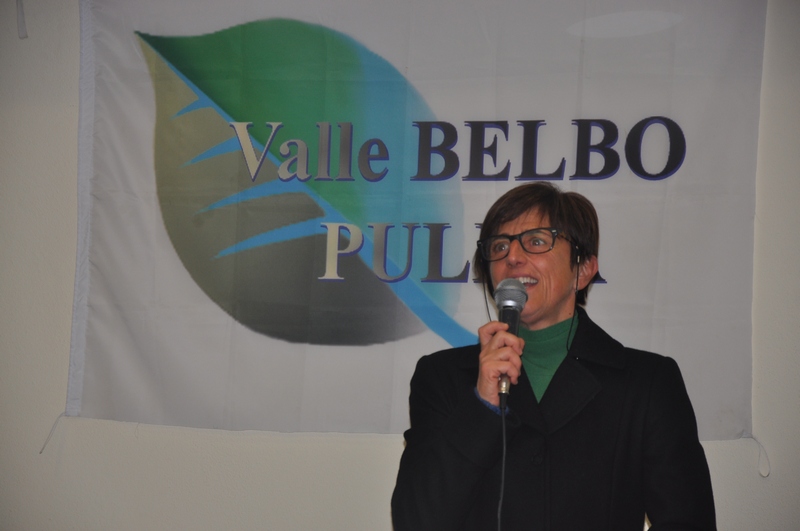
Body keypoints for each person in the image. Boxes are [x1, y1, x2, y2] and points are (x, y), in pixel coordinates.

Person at [391, 182, 716, 530]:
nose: (512, 257)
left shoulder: (647, 383)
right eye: (499, 246)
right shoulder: (442, 377)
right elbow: (415, 521)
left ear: (583, 269)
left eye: (536, 241)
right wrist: (482, 407)